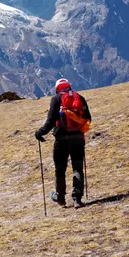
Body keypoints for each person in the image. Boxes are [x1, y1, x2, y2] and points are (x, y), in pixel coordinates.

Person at [35, 78, 91, 209]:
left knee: (60, 169)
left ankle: (60, 198)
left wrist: (39, 133)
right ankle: (77, 199)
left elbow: (50, 121)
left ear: (57, 88)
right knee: (77, 168)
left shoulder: (56, 99)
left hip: (61, 140)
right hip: (78, 138)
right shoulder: (80, 98)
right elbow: (88, 118)